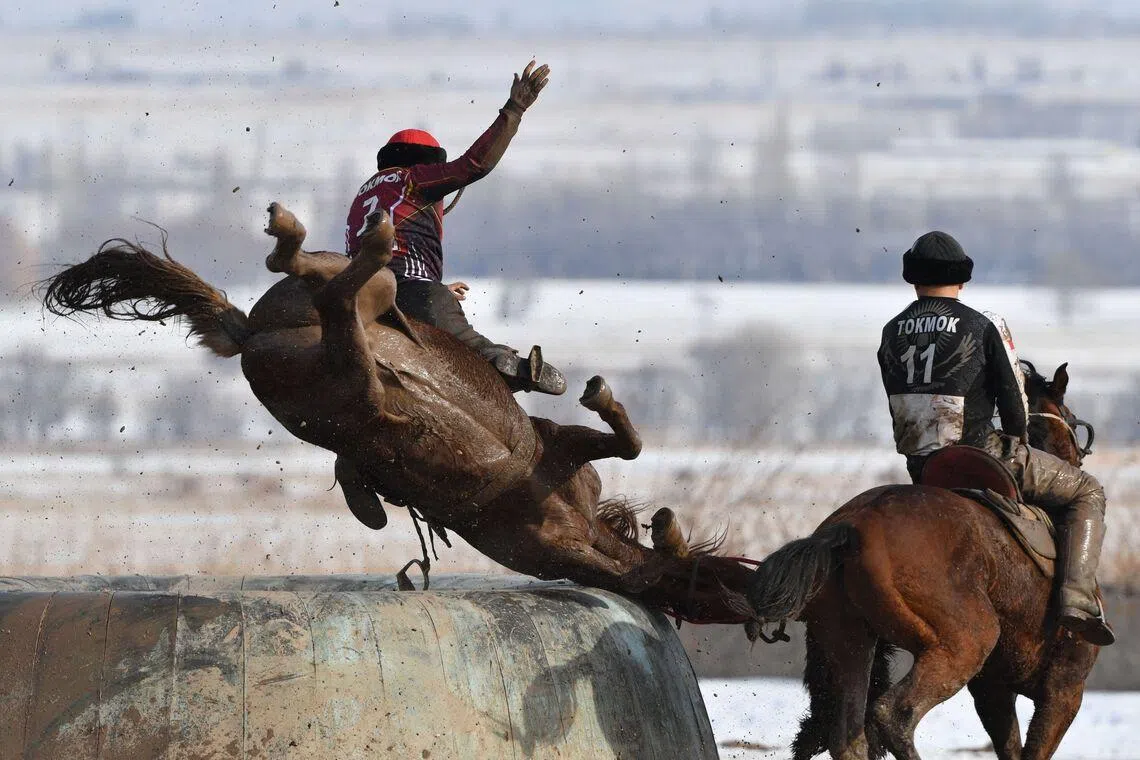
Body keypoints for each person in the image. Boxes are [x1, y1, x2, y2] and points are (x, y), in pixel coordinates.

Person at [876, 231, 1114, 646]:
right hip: (982, 453)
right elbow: (1017, 408)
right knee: (1088, 491)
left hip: (922, 466)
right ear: (962, 278)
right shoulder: (983, 324)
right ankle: (1077, 601)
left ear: (911, 278)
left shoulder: (891, 330)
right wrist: (1018, 440)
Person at [344, 59, 565, 397]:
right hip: (414, 292)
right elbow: (474, 164)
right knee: (468, 346)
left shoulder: (363, 193)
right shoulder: (414, 178)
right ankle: (511, 366)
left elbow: (381, 256)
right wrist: (515, 108)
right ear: (426, 162)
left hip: (357, 296)